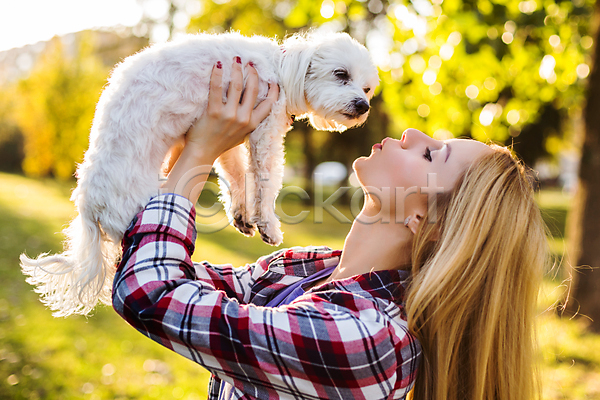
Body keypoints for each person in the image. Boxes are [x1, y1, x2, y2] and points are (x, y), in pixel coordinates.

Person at [112, 58, 547, 400]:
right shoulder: (310, 269)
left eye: (432, 155)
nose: (413, 133)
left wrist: (203, 150)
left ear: (427, 223)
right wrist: (184, 143)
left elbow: (148, 294)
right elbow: (142, 267)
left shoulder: (370, 342)